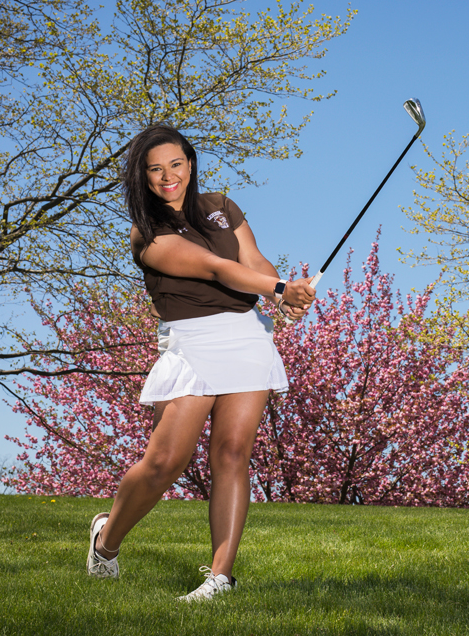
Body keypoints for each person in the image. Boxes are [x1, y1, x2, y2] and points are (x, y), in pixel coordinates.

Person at [85, 124, 315, 601]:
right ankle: (106, 542)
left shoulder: (221, 207)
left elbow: (252, 260)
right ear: (142, 177)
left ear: (190, 163)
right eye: (155, 169)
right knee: (166, 461)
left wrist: (283, 295)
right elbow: (212, 267)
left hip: (245, 336)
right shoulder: (147, 234)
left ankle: (220, 578)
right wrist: (276, 290)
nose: (168, 176)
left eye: (176, 164)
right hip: (191, 341)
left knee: (233, 455)